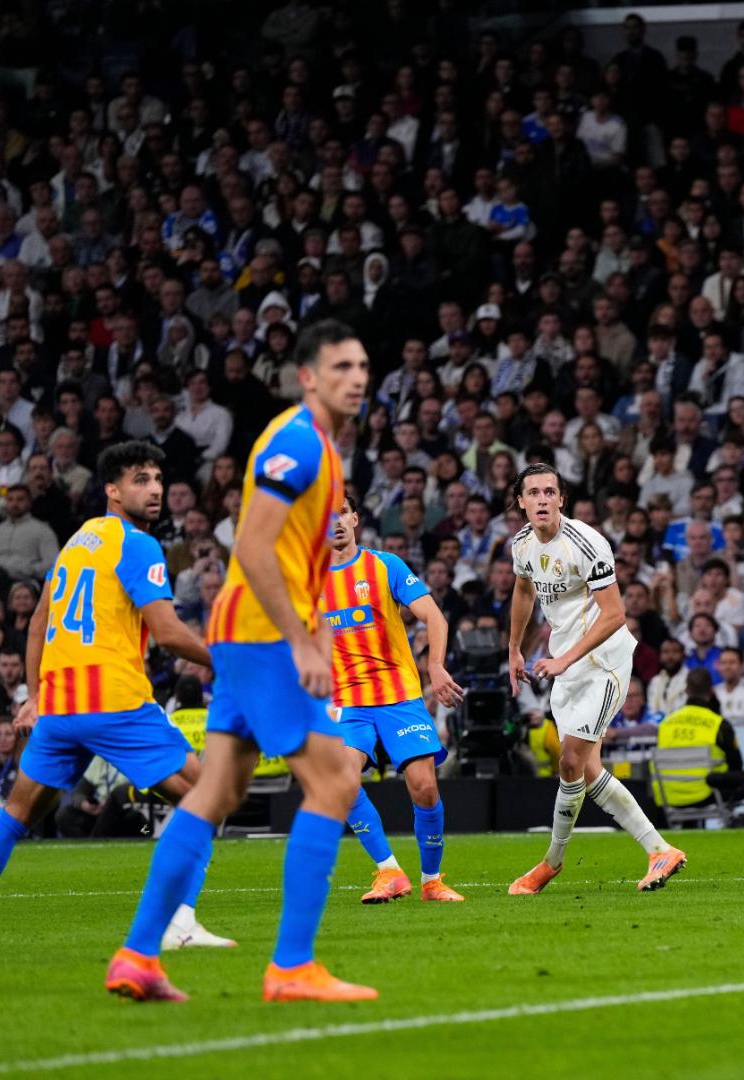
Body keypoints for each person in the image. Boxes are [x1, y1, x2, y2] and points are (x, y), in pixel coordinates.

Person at [109, 322, 373, 1003]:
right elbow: (252, 550)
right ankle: (291, 967)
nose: (357, 376)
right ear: (308, 377)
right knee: (337, 779)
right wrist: (303, 641)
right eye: (340, 365)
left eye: (363, 366)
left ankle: (138, 954)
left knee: (216, 792)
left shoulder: (323, 448)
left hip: (246, 634)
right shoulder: (297, 441)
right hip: (262, 636)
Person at [0, 443, 231, 953]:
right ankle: (179, 923)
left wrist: (35, 695)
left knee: (16, 813)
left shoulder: (78, 541)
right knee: (207, 799)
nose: (154, 489)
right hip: (113, 700)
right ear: (111, 489)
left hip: (61, 706)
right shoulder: (139, 544)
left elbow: (39, 621)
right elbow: (168, 633)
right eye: (141, 480)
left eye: (157, 479)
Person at [505, 463, 686, 895]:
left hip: (603, 661)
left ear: (562, 500)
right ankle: (660, 849)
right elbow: (524, 592)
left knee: (570, 760)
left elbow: (615, 615)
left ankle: (551, 861)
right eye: (534, 493)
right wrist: (515, 648)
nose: (543, 499)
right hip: (564, 661)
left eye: (551, 492)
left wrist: (564, 659)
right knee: (586, 770)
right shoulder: (523, 544)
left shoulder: (587, 543)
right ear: (521, 502)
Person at [321, 491, 466, 903]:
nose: (334, 522)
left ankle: (432, 881)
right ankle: (388, 871)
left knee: (424, 788)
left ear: (354, 520)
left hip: (399, 695)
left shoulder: (384, 566)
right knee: (342, 780)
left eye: (342, 513)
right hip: (348, 702)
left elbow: (433, 615)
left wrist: (435, 666)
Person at [654, 668, 744, 827]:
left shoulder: (665, 724)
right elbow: (736, 767)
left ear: (686, 690)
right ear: (711, 691)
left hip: (670, 795)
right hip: (707, 794)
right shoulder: (718, 724)